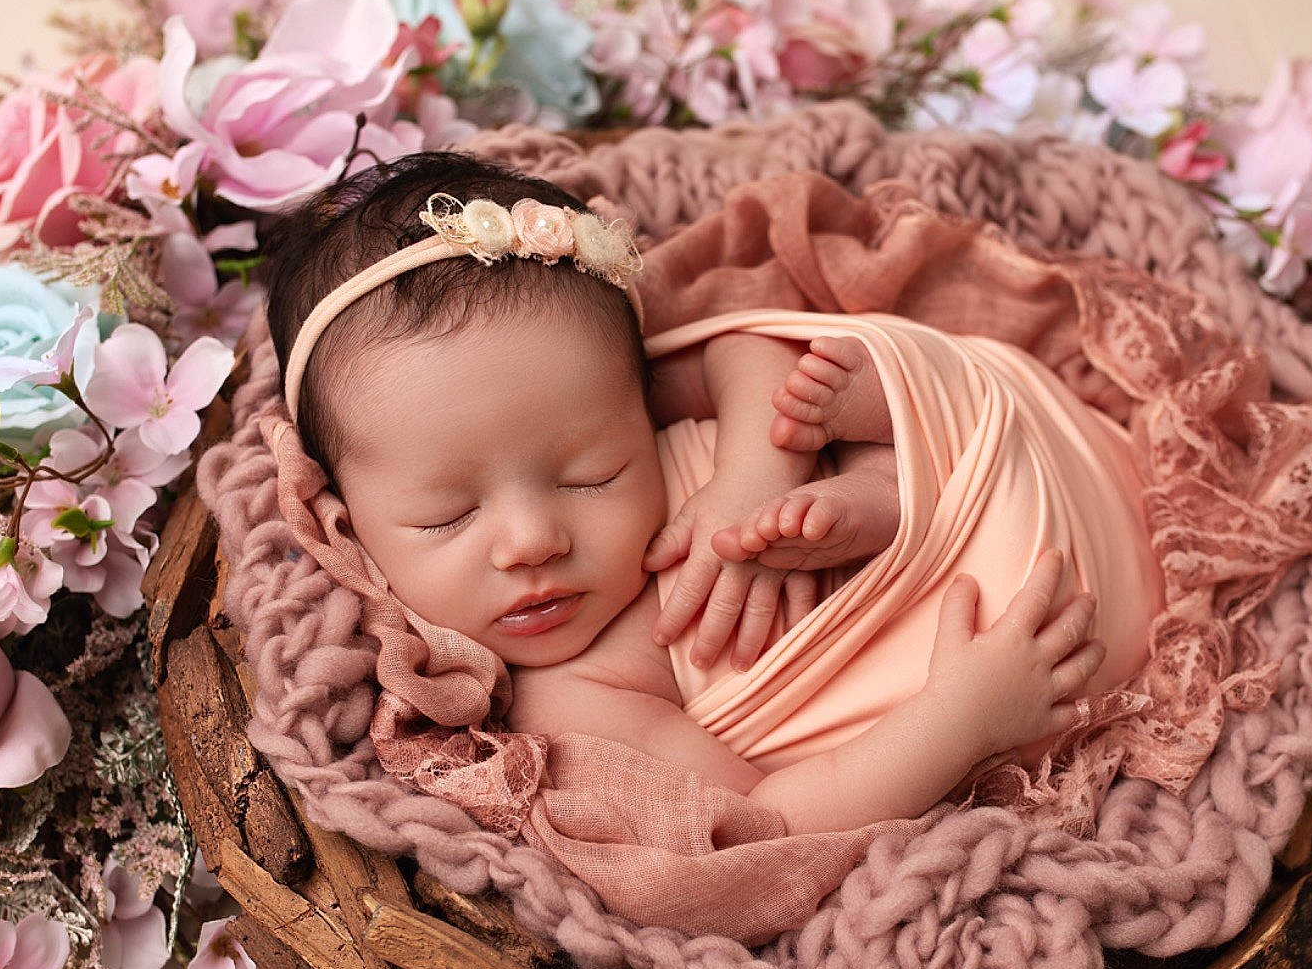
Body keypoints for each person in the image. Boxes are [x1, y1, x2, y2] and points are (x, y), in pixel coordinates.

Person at [266, 151, 1110, 837]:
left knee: (868, 363)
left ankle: (883, 483)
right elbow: (772, 820)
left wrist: (757, 468)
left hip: (974, 460)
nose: (531, 539)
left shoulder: (587, 383)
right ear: (349, 526)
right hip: (975, 632)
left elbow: (736, 354)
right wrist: (960, 717)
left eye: (589, 473)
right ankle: (887, 496)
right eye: (446, 514)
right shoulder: (575, 699)